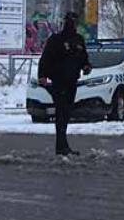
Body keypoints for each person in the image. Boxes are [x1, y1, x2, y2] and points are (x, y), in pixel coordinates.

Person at [37, 11, 91, 155]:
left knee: (66, 113)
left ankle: (63, 145)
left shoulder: (79, 40)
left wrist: (86, 67)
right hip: (59, 80)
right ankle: (61, 146)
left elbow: (84, 58)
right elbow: (46, 58)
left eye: (74, 21)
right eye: (70, 21)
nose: (72, 24)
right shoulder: (56, 39)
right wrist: (42, 76)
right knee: (61, 112)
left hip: (72, 81)